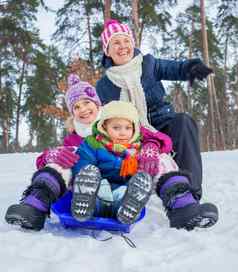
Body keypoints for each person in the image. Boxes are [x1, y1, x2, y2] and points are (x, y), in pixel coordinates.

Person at [96, 19, 218, 229]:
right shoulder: (104, 85)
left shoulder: (149, 64)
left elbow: (175, 68)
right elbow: (103, 118)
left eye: (126, 40)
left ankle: (189, 197)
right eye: (115, 43)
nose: (122, 46)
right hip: (132, 135)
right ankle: (115, 197)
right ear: (107, 51)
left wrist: (192, 68)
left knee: (184, 121)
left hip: (162, 124)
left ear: (132, 43)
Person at [5, 74, 102, 231]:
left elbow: (150, 135)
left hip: (114, 180)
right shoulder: (73, 139)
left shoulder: (117, 123)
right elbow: (41, 161)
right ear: (72, 113)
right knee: (61, 161)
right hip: (80, 189)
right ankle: (34, 209)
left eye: (86, 102)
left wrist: (149, 146)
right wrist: (52, 155)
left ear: (97, 104)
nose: (82, 109)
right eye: (76, 107)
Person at [70, 101, 179, 225]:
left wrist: (140, 179)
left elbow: (164, 142)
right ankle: (85, 206)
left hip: (122, 191)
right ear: (104, 126)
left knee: (127, 192)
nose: (122, 132)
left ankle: (127, 210)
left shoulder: (138, 149)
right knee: (92, 182)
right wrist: (86, 173)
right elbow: (83, 160)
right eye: (116, 127)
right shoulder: (93, 143)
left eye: (128, 128)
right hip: (97, 189)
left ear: (134, 129)